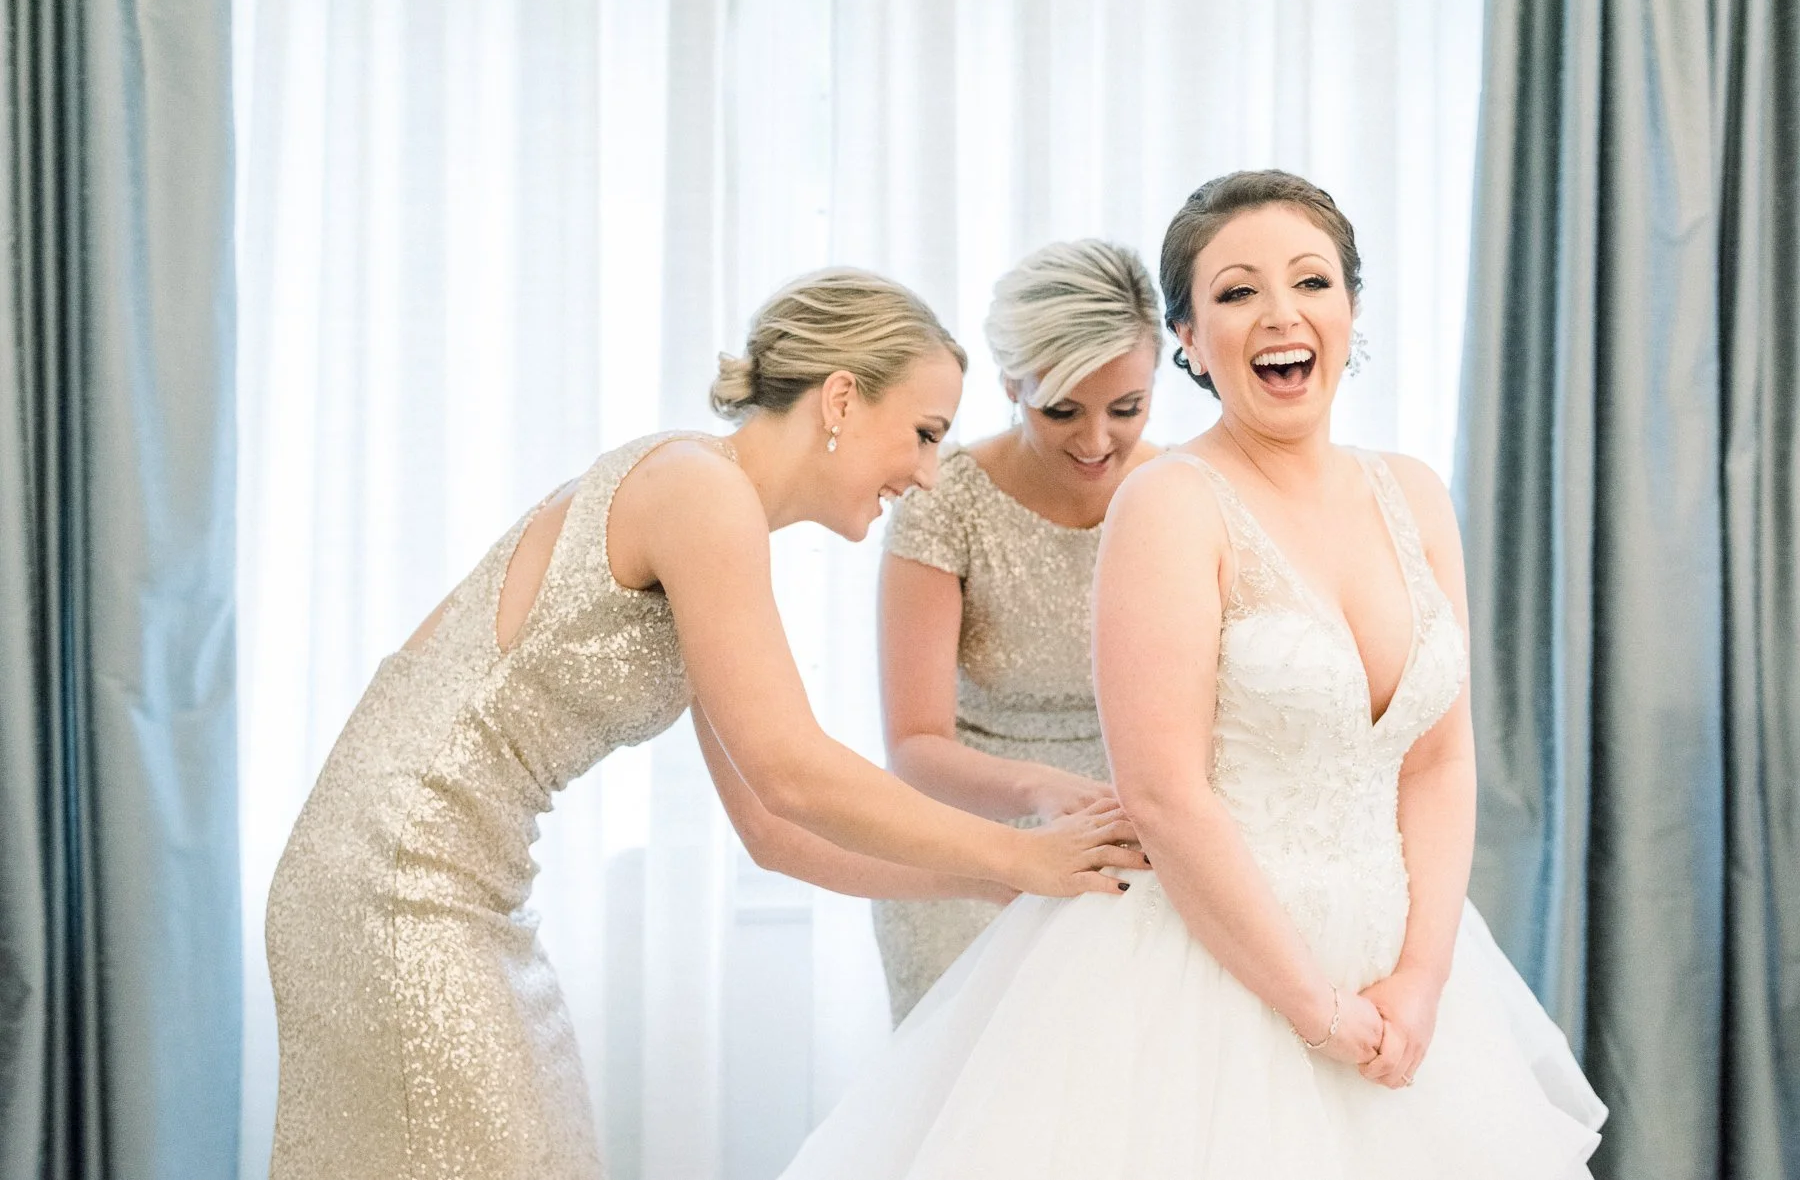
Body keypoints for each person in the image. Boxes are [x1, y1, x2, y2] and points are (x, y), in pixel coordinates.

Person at [777, 174, 1607, 1179]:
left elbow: (1437, 761)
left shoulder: (1417, 496)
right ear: (1187, 337)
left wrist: (1422, 978)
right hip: (1209, 963)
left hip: (1398, 961)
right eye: (1235, 292)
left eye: (1310, 280)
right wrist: (1314, 1008)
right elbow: (1166, 794)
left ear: (1352, 307)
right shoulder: (1169, 502)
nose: (1280, 313)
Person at [263, 268, 1146, 1180]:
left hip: (455, 883)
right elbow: (792, 769)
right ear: (841, 397)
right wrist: (1017, 853)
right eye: (923, 434)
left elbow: (772, 831)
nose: (926, 474)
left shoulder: (707, 508)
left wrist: (987, 884)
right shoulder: (697, 489)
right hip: (396, 877)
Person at [871, 239, 1161, 1021]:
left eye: (1126, 409)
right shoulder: (946, 502)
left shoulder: (1181, 496)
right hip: (969, 857)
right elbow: (915, 744)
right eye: (1061, 409)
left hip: (1140, 848)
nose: (1096, 441)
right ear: (1010, 383)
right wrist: (1039, 790)